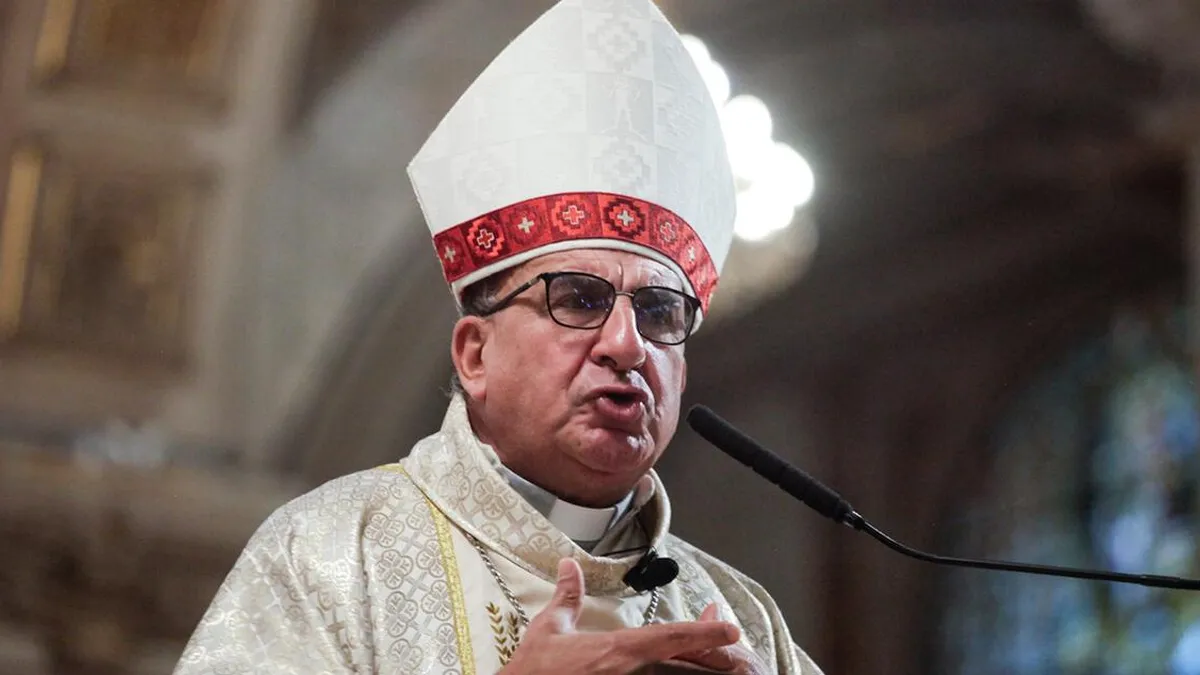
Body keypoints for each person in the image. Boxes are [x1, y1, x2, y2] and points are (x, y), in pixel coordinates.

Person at [174, 0, 823, 673]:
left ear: (681, 374)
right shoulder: (329, 555)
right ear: (474, 355)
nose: (628, 345)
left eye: (660, 312)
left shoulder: (740, 618)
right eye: (578, 298)